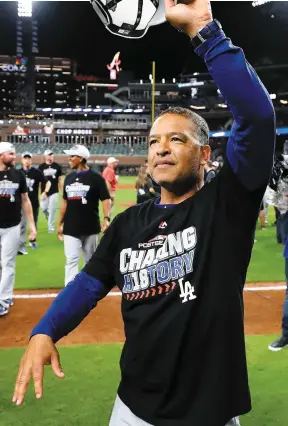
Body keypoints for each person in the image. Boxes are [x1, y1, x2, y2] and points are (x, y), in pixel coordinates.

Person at [12, 2, 276, 426]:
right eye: (154, 141)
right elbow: (87, 284)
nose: (161, 148)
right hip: (133, 408)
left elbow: (259, 117)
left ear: (206, 155)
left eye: (177, 139)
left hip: (210, 412)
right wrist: (45, 330)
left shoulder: (227, 204)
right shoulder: (127, 225)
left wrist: (205, 32)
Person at [57, 145, 111, 286]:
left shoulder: (96, 178)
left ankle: (87, 290)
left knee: (89, 261)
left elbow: (105, 199)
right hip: (70, 227)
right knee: (71, 260)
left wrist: (106, 218)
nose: (69, 159)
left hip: (90, 227)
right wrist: (59, 223)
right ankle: (70, 293)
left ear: (80, 159)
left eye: (72, 156)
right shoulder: (68, 178)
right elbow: (65, 203)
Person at [0, 142, 36, 316]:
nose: (14, 157)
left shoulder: (18, 174)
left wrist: (32, 226)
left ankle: (3, 299)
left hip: (12, 226)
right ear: (1, 155)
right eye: (11, 154)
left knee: (8, 263)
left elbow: (25, 200)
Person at [18, 152, 51, 254]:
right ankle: (21, 247)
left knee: (33, 224)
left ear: (31, 160)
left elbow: (48, 182)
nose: (27, 160)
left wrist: (45, 192)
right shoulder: (18, 173)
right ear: (22, 160)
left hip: (33, 203)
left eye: (29, 158)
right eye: (25, 158)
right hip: (22, 203)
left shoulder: (36, 172)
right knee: (22, 224)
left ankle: (32, 241)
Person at [38, 149, 62, 233]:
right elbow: (39, 180)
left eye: (52, 155)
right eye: (49, 155)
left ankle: (50, 227)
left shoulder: (57, 166)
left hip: (54, 191)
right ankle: (48, 216)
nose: (51, 156)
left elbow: (59, 179)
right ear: (45, 156)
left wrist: (62, 190)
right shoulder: (41, 167)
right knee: (43, 208)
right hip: (44, 192)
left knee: (52, 209)